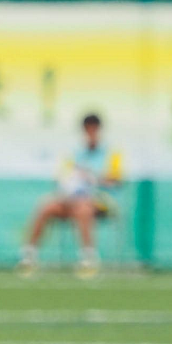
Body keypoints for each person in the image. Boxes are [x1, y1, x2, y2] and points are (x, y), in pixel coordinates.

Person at [16, 113, 124, 278]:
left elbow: (115, 181)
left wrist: (94, 178)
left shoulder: (111, 153)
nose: (91, 133)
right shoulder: (74, 153)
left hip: (101, 202)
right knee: (46, 206)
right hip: (72, 200)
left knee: (83, 208)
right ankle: (29, 257)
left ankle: (89, 259)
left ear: (99, 130)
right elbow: (63, 179)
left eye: (94, 129)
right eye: (88, 129)